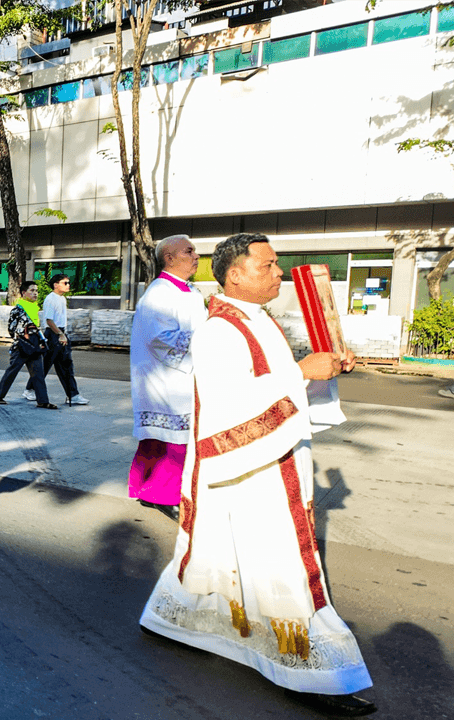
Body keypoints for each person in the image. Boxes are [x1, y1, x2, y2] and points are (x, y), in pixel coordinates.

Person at [140, 233, 374, 718]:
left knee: (217, 555)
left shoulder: (258, 319)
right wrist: (301, 372)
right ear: (235, 274)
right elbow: (230, 407)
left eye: (277, 265)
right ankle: (307, 673)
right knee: (280, 565)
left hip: (270, 458)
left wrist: (322, 369)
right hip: (249, 471)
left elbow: (275, 382)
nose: (279, 274)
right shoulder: (219, 330)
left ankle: (171, 621)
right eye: (267, 266)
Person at [129, 235, 206, 518]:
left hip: (182, 375)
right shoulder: (160, 292)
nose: (196, 255)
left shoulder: (190, 291)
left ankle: (147, 490)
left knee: (163, 439)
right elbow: (160, 338)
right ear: (170, 258)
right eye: (189, 251)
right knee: (172, 441)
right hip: (166, 378)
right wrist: (207, 341)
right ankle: (164, 495)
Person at [0, 284, 55, 408]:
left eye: (36, 291)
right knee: (12, 371)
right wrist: (22, 339)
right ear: (23, 293)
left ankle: (43, 401)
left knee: (38, 374)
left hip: (35, 345)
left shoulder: (34, 308)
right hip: (22, 345)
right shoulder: (18, 309)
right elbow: (11, 329)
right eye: (32, 290)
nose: (35, 293)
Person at [40, 274, 89, 405]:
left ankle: (73, 395)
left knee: (66, 365)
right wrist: (60, 334)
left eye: (68, 282)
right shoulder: (50, 299)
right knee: (45, 365)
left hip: (60, 332)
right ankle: (30, 389)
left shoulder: (61, 299)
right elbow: (49, 321)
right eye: (65, 283)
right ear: (56, 284)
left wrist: (63, 333)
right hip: (53, 334)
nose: (68, 285)